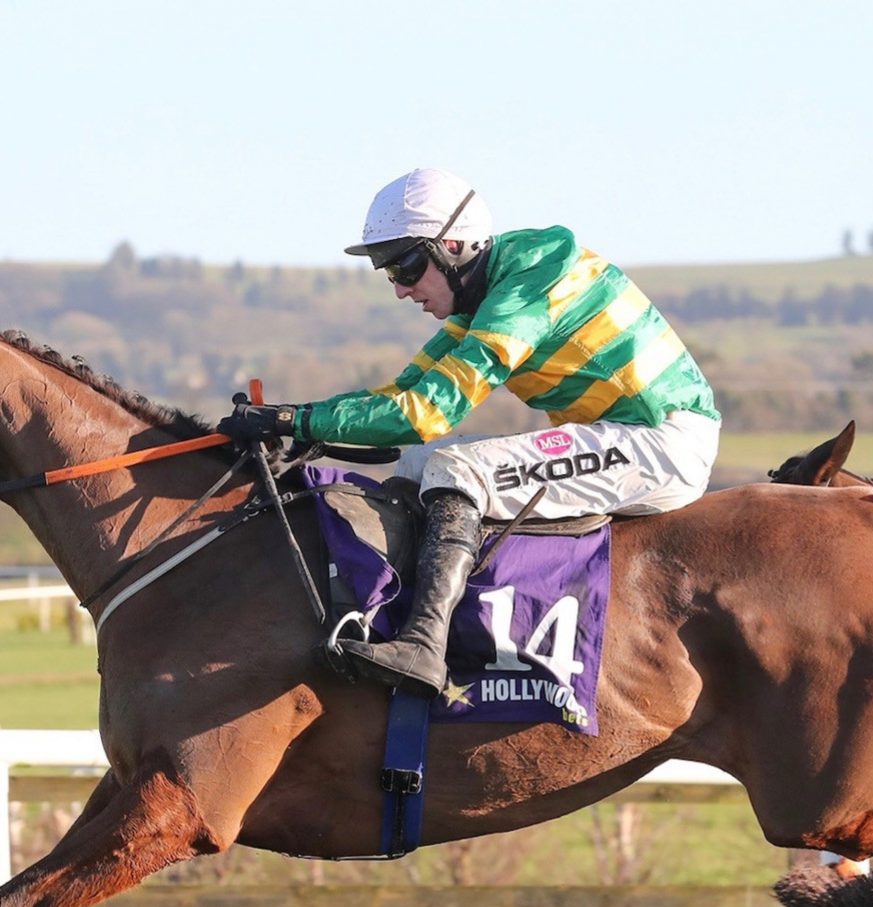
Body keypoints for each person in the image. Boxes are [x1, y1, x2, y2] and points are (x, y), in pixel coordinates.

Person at [218, 167, 720, 697]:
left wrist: (300, 421)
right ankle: (383, 611)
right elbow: (402, 396)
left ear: (454, 246)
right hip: (624, 436)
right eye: (388, 272)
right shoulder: (491, 289)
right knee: (417, 463)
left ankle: (425, 644)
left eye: (407, 266)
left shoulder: (529, 285)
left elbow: (427, 412)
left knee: (455, 466)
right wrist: (298, 416)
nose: (400, 288)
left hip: (662, 443)